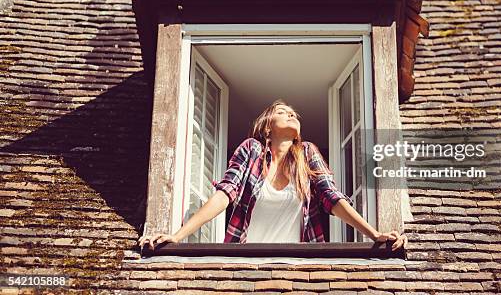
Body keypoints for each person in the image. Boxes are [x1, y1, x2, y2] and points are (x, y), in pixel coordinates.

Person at [138, 99, 407, 251]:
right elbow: (224, 195)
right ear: (267, 128)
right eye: (282, 112)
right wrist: (178, 236)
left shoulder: (307, 154)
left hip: (298, 269)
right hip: (246, 264)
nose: (290, 114)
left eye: (293, 113)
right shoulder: (252, 150)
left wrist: (374, 234)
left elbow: (331, 198)